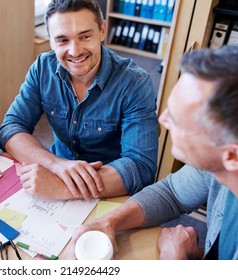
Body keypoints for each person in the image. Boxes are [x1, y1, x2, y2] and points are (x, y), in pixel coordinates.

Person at [65, 45, 238, 260]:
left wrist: (174, 260)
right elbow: (173, 193)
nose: (163, 120)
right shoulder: (217, 165)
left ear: (231, 156)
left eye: (179, 120)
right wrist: (108, 222)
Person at [0, 0, 158, 201]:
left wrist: (62, 187)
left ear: (102, 31)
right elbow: (11, 128)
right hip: (55, 169)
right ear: (50, 41)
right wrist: (56, 165)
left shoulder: (135, 82)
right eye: (63, 40)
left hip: (109, 187)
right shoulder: (42, 68)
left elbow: (141, 167)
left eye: (84, 36)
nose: (75, 51)